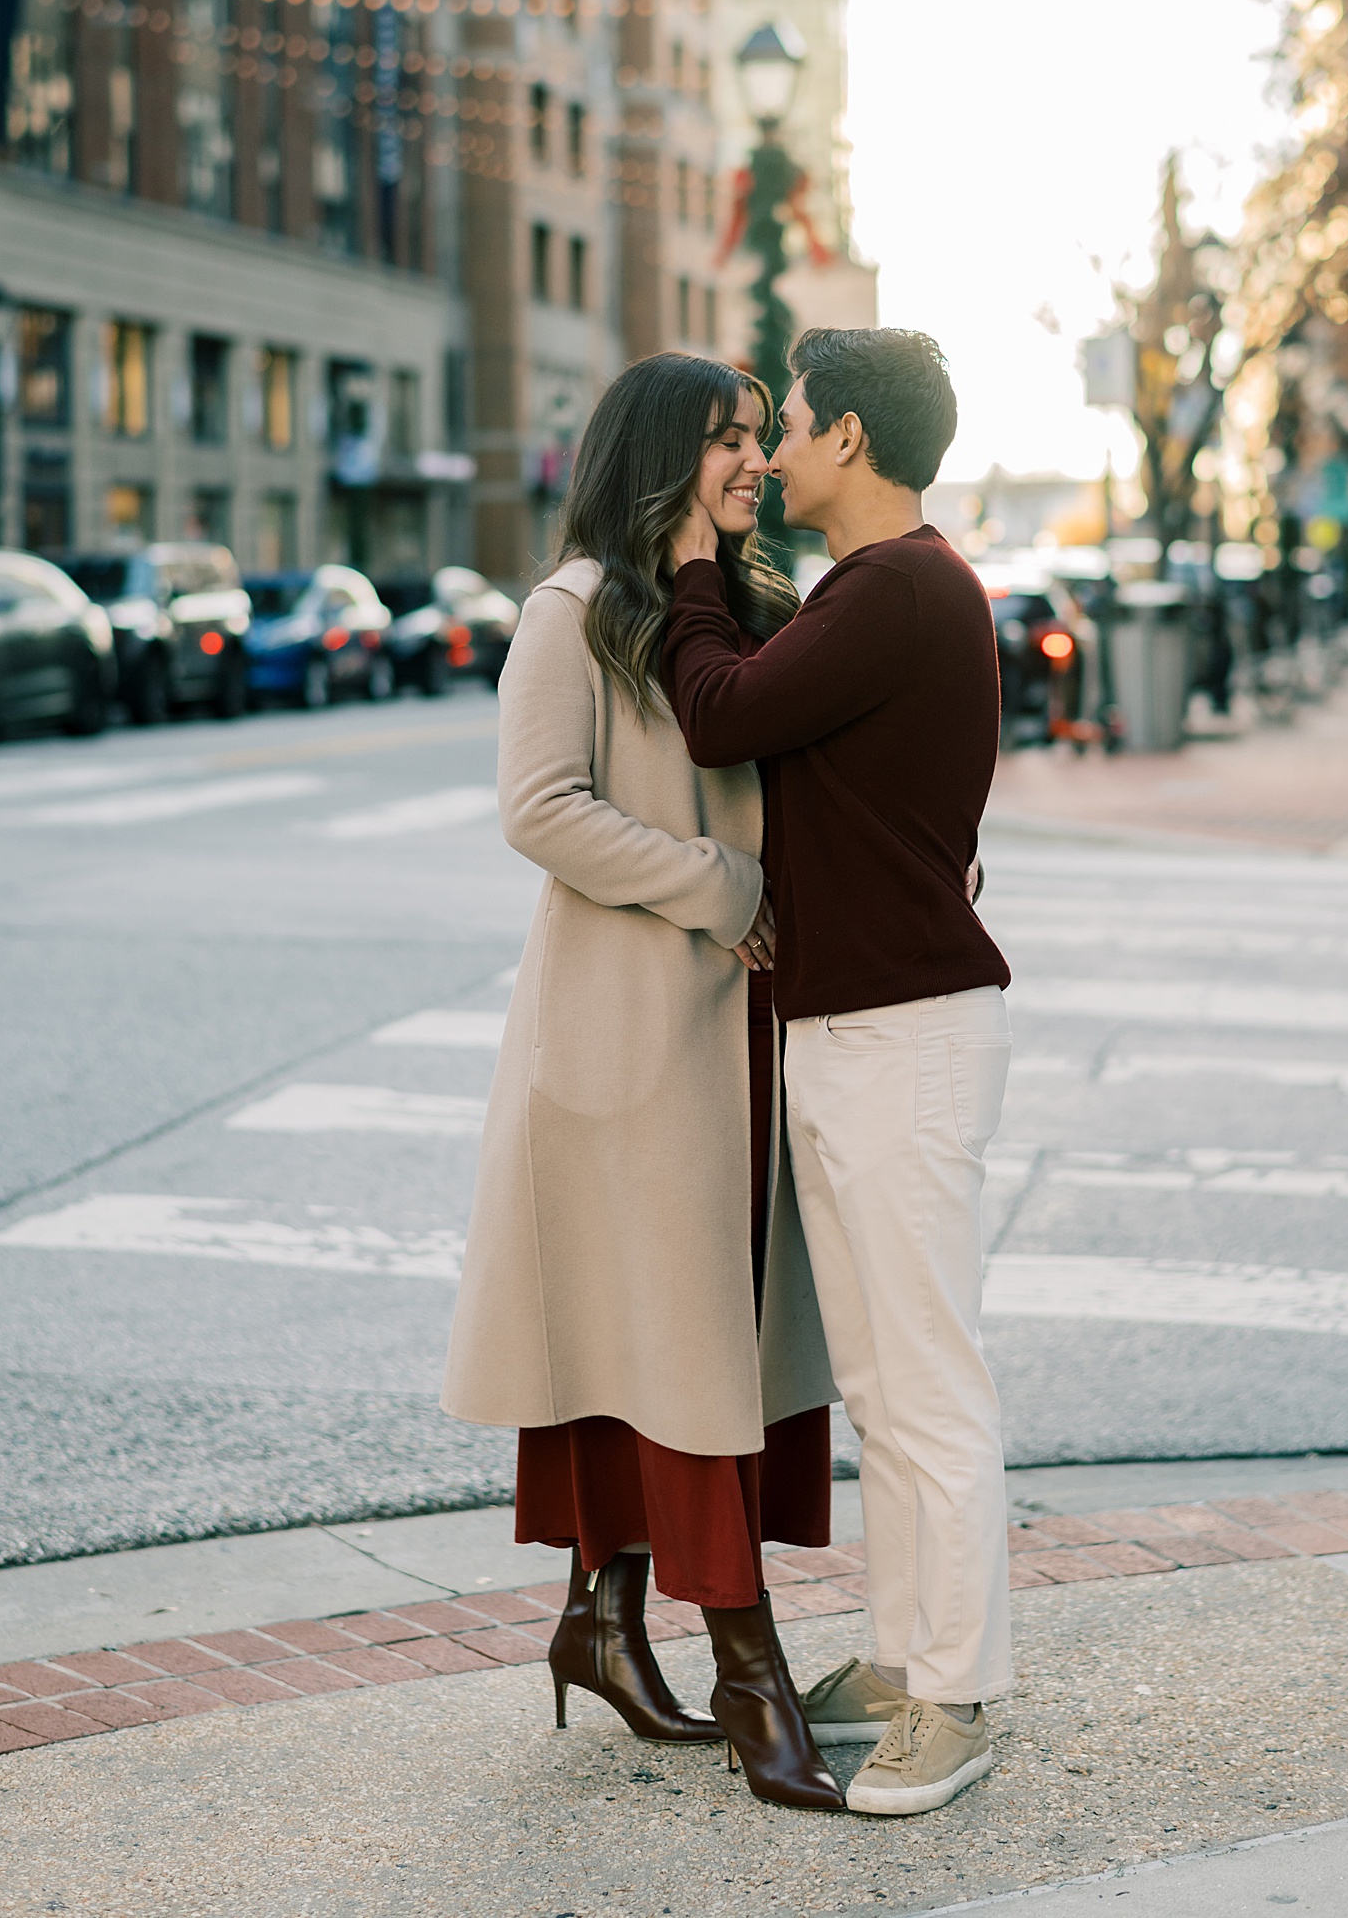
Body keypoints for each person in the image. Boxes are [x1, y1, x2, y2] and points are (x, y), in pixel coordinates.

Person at [442, 351, 845, 1814]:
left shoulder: (745, 604)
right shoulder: (571, 611)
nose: (754, 460)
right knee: (678, 1348)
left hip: (740, 1029)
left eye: (757, 434)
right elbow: (539, 806)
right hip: (626, 1043)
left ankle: (600, 1622)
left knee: (680, 1338)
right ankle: (749, 1670)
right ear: (659, 456)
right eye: (726, 439)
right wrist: (719, 883)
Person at [663, 326, 1013, 1820]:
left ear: (852, 437)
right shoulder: (880, 591)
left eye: (792, 422)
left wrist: (691, 565)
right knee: (879, 1380)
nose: (774, 450)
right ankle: (902, 1653)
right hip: (855, 1023)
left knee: (925, 1382)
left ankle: (958, 1696)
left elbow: (721, 710)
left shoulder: (898, 587)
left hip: (904, 1033)